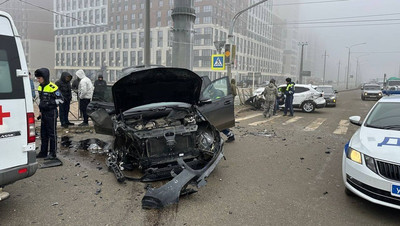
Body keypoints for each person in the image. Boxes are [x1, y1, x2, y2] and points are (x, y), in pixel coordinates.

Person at [35, 68, 63, 160]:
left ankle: (53, 153)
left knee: (52, 134)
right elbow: (40, 100)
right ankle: (43, 152)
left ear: (45, 77)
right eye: (37, 78)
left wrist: (49, 104)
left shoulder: (53, 87)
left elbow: (61, 100)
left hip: (51, 113)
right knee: (43, 133)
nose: (38, 80)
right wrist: (40, 111)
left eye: (39, 78)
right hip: (43, 113)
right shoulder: (39, 87)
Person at [220, 79, 237, 143]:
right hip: (231, 98)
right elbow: (235, 93)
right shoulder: (234, 86)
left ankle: (230, 135)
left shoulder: (229, 85)